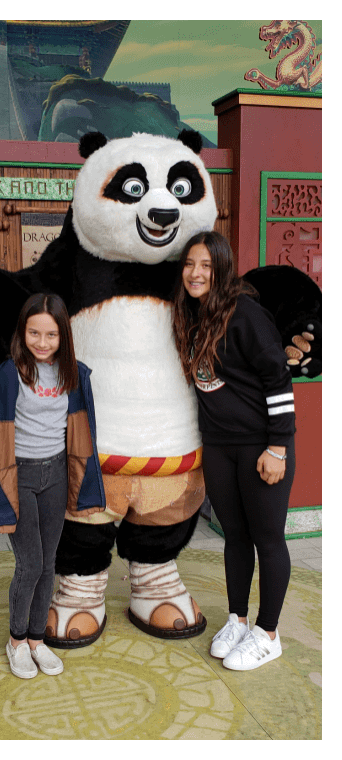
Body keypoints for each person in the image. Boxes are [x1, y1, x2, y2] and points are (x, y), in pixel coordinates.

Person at [171, 231, 296, 671]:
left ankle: (268, 632)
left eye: (206, 265)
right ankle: (239, 621)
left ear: (222, 269)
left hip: (261, 445)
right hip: (220, 447)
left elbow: (278, 379)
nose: (195, 273)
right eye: (189, 264)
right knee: (235, 538)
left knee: (268, 539)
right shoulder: (193, 315)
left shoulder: (244, 313)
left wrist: (277, 448)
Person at [0, 293, 105, 679]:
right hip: (18, 475)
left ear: (63, 336)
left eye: (51, 335)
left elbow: (83, 429)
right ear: (22, 332)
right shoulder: (10, 373)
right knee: (30, 564)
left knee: (49, 563)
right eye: (34, 333)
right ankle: (15, 641)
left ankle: (36, 640)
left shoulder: (73, 374)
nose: (42, 343)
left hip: (56, 473)